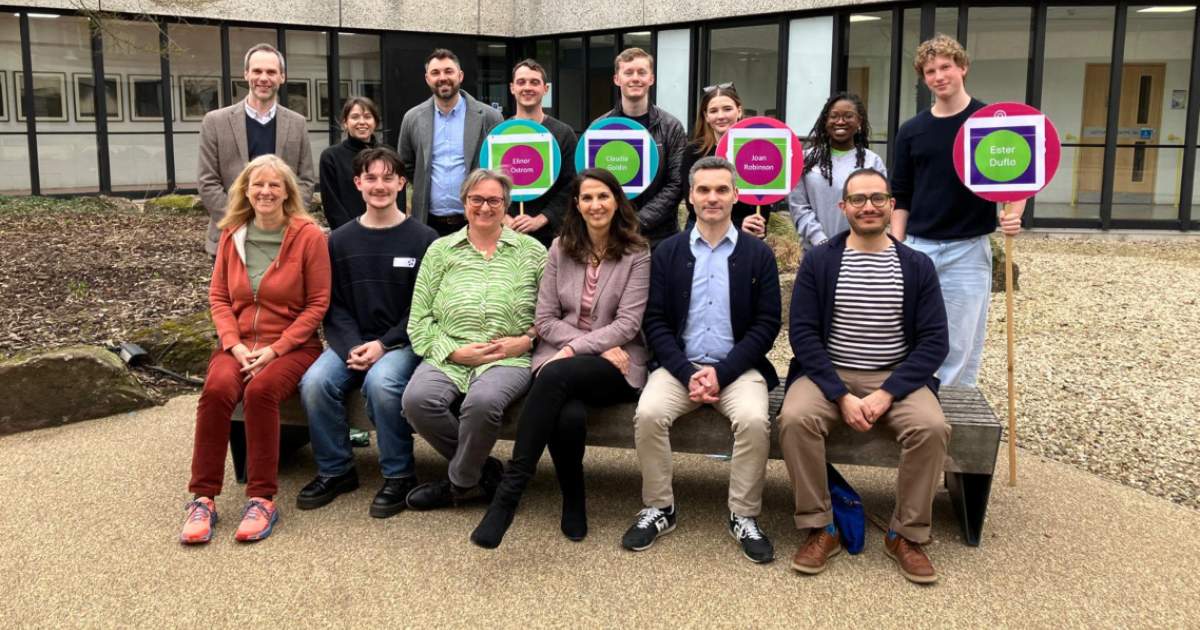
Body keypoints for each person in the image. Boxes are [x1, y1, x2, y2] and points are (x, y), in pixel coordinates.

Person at [778, 168, 950, 584]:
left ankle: (905, 534)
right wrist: (840, 395)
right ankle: (822, 527)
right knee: (794, 419)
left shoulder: (916, 265)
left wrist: (886, 394)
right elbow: (801, 333)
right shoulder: (820, 261)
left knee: (931, 427)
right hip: (828, 373)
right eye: (858, 199)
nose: (868, 206)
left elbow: (934, 342)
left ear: (892, 204)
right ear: (843, 207)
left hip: (896, 377)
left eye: (877, 198)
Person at [471, 168, 651, 549]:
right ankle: (573, 498)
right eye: (587, 198)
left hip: (615, 364)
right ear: (577, 205)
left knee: (554, 377)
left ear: (617, 201)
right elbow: (545, 320)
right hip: (572, 354)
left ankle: (509, 494)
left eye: (603, 196)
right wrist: (585, 344)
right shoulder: (559, 248)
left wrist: (576, 349)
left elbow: (628, 324)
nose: (595, 204)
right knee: (567, 414)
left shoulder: (637, 251)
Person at [622, 156, 781, 564]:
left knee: (753, 420)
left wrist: (722, 373)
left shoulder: (757, 255)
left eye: (722, 189)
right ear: (690, 197)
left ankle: (743, 514)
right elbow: (654, 320)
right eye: (704, 190)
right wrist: (686, 371)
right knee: (649, 413)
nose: (713, 198)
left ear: (736, 196)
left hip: (739, 369)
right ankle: (660, 507)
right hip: (680, 367)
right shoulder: (670, 251)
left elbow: (766, 325)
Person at [179, 155, 330, 544]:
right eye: (257, 184)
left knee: (261, 392)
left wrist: (276, 349)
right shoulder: (232, 232)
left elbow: (318, 304)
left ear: (287, 192)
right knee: (216, 391)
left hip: (292, 346)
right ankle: (203, 498)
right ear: (245, 190)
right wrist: (232, 344)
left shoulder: (308, 235)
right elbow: (219, 297)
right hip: (239, 344)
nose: (265, 191)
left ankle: (262, 498)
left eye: (274, 185)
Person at [297, 147, 438, 518]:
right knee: (315, 382)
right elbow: (334, 304)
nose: (380, 185)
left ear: (401, 182)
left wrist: (383, 344)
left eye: (388, 177)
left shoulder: (423, 239)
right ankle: (336, 469)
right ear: (358, 183)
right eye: (371, 178)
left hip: (402, 342)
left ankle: (399, 474)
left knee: (381, 383)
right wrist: (353, 347)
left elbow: (422, 309)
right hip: (351, 340)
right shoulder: (339, 241)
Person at [402, 169, 548, 510]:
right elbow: (419, 318)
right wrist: (453, 352)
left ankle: (460, 483)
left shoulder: (533, 252)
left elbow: (552, 313)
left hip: (507, 355)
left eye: (494, 200)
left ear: (506, 204)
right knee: (417, 400)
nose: (485, 207)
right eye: (476, 199)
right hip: (451, 350)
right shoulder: (440, 250)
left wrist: (526, 341)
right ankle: (486, 471)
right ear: (464, 202)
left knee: (481, 403)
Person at [890, 34, 1023, 387]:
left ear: (962, 67)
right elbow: (901, 195)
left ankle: (953, 415)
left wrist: (1015, 211)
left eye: (946, 66)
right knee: (909, 331)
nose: (939, 75)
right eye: (930, 70)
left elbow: (1018, 174)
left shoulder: (990, 121)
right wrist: (897, 247)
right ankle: (912, 402)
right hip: (918, 246)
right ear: (924, 78)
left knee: (961, 339)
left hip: (968, 248)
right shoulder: (911, 131)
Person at [198, 43, 315, 257]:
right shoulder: (215, 122)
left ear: (282, 77)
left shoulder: (297, 124)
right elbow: (207, 182)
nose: (264, 78)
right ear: (246, 74)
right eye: (257, 71)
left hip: (283, 237)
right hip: (230, 236)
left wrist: (284, 218)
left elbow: (305, 180)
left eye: (271, 72)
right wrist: (241, 219)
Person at [398, 48, 504, 236]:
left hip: (476, 220)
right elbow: (405, 166)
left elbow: (500, 166)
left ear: (460, 75)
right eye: (435, 72)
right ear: (427, 79)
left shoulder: (490, 117)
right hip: (428, 223)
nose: (442, 77)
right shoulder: (412, 118)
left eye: (448, 71)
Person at [595, 47, 687, 248]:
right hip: (612, 234)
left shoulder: (672, 127)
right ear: (617, 79)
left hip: (661, 238)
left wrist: (638, 221)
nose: (635, 78)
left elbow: (676, 184)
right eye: (628, 72)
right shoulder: (599, 128)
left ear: (651, 78)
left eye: (641, 72)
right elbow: (592, 183)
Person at [789, 92, 887, 250]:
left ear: (859, 121)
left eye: (848, 116)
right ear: (825, 121)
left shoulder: (872, 162)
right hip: (816, 252)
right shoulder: (805, 160)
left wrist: (856, 243)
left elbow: (879, 207)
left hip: (862, 251)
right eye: (834, 116)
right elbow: (798, 206)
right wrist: (821, 241)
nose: (840, 121)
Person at [502, 59, 578, 247]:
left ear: (546, 89)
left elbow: (572, 185)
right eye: (521, 82)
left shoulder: (563, 134)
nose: (527, 87)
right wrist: (504, 218)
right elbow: (487, 182)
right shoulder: (498, 134)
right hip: (506, 234)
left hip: (551, 237)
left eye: (534, 82)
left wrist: (542, 218)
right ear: (512, 88)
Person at [682, 84, 770, 239]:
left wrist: (755, 224)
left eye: (727, 109)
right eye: (713, 111)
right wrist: (735, 226)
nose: (721, 116)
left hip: (746, 233)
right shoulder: (694, 152)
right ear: (706, 116)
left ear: (739, 111)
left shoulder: (756, 150)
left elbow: (763, 198)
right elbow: (692, 202)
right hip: (701, 230)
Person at [320, 96, 397, 230]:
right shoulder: (331, 157)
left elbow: (397, 197)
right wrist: (352, 235)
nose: (362, 122)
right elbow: (332, 205)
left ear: (375, 122)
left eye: (367, 117)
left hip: (387, 231)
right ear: (345, 123)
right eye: (355, 117)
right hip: (348, 235)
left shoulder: (389, 154)